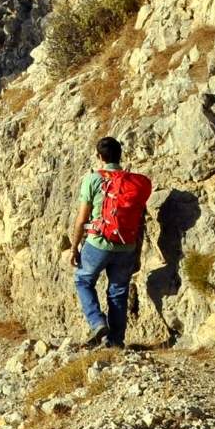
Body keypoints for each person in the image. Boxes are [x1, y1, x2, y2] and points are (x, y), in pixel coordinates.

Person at [68, 135, 151, 349]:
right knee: (118, 290)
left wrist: (74, 247)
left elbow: (82, 218)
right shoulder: (133, 182)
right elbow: (140, 220)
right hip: (127, 245)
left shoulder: (93, 179)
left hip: (98, 242)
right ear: (120, 156)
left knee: (83, 280)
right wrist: (137, 252)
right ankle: (115, 342)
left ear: (99, 157)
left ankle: (97, 323)